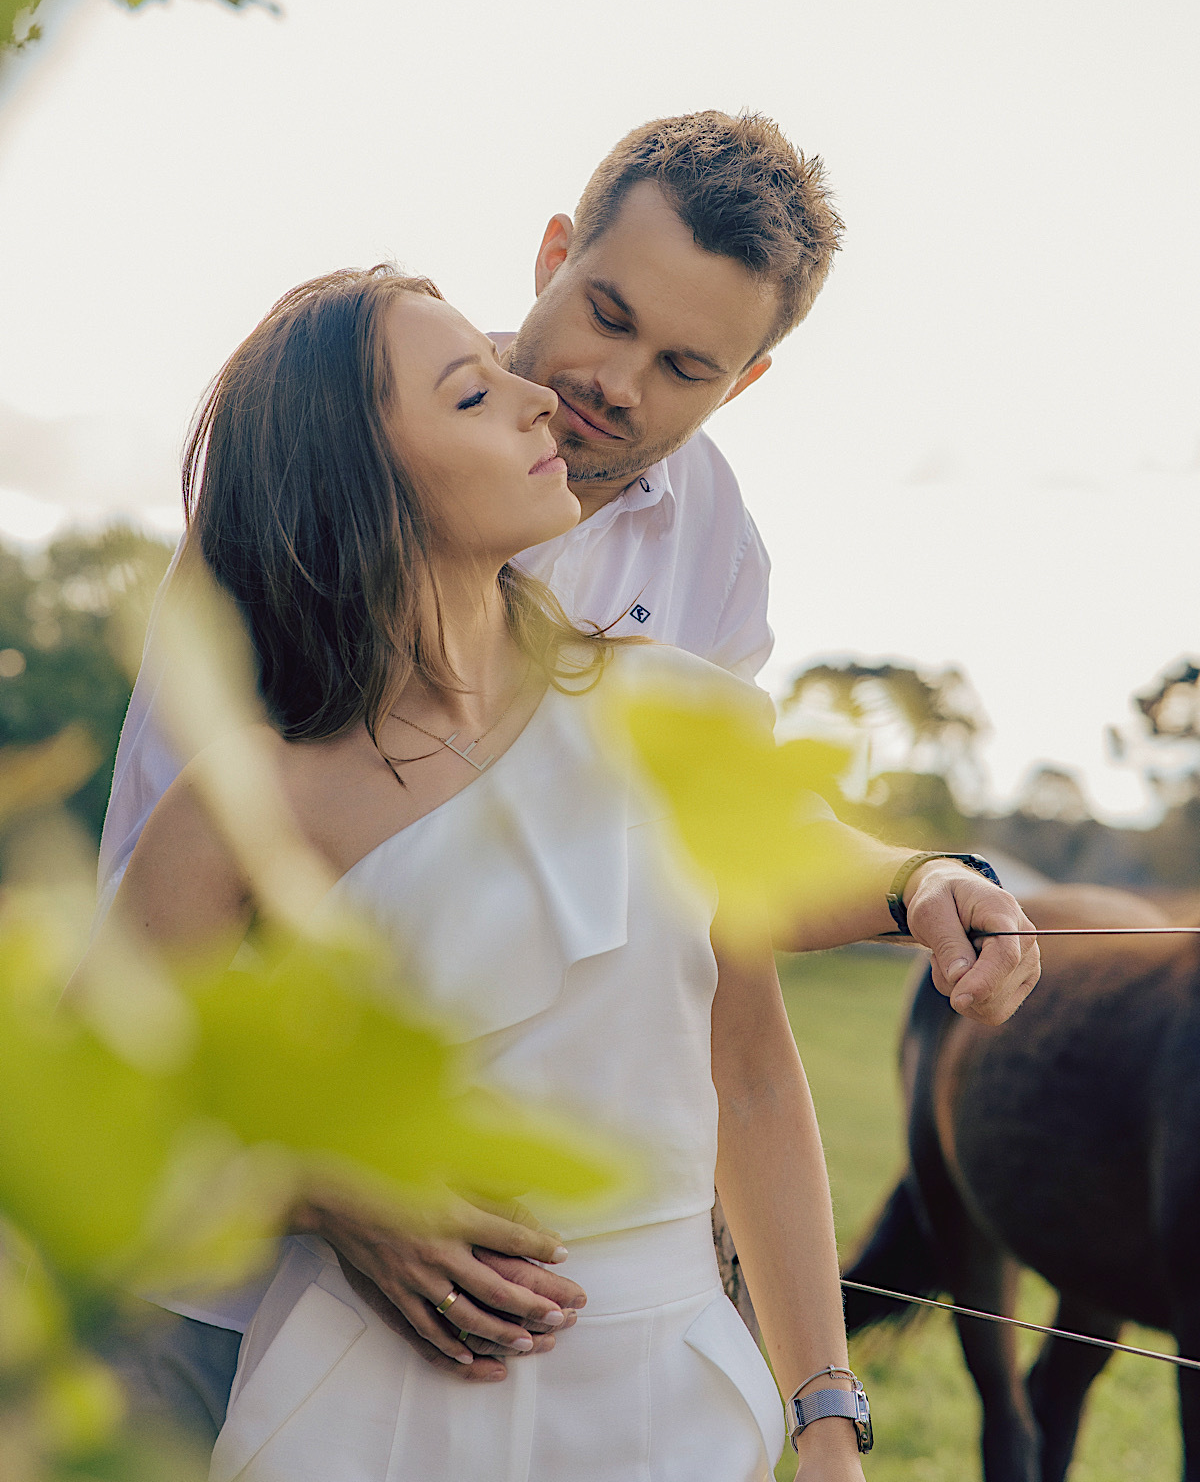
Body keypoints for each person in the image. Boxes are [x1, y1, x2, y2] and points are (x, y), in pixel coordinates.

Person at [97, 111, 1038, 1434]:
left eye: (685, 366)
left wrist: (918, 875)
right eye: (603, 312)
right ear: (552, 253)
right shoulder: (326, 467)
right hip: (230, 1283)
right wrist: (333, 1185)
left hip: (573, 1343)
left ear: (744, 382)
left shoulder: (709, 551)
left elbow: (720, 909)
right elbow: (168, 960)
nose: (608, 386)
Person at [108, 268, 873, 1481]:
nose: (538, 402)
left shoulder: (673, 710)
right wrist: (318, 1194)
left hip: (663, 1410)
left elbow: (754, 1063)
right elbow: (98, 1113)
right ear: (362, 481)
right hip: (362, 1412)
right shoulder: (243, 808)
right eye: (473, 393)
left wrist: (825, 1425)